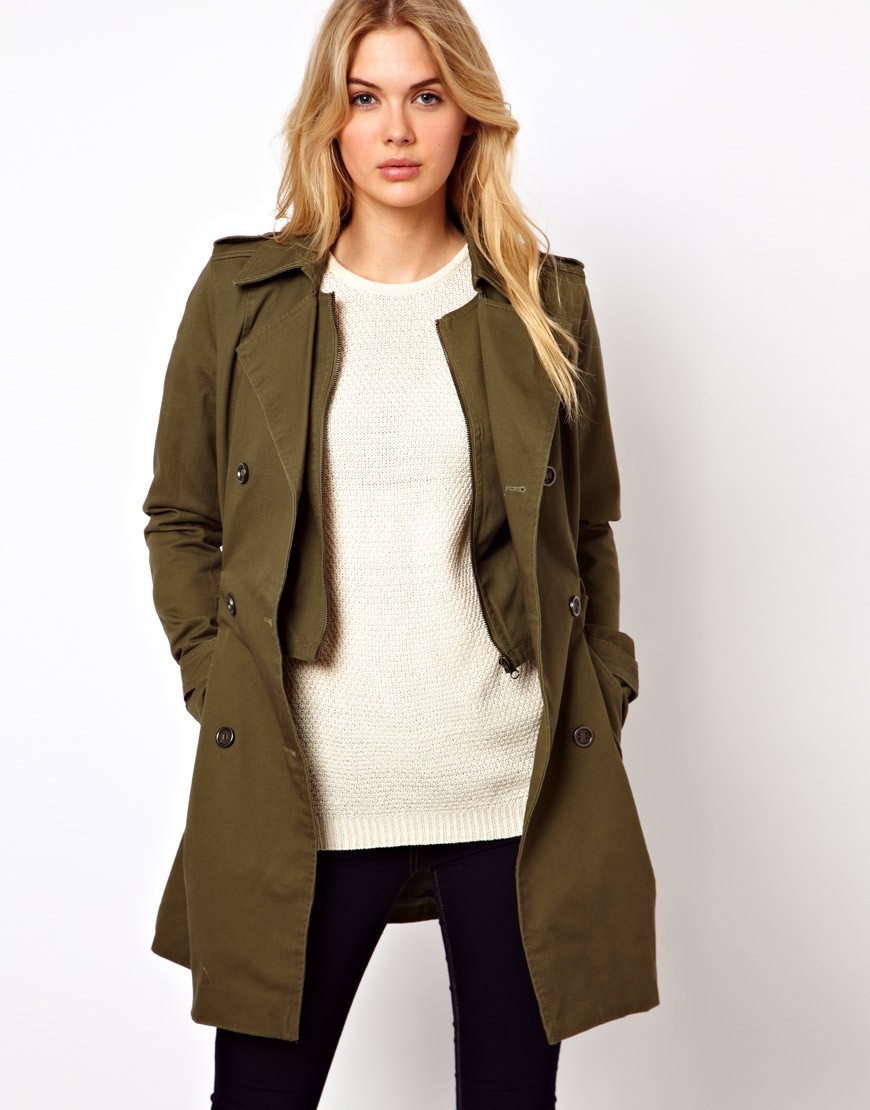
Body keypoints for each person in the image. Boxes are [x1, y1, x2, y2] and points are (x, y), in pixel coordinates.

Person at [142, 0, 659, 1106]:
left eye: (426, 96)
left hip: (510, 787)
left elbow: (587, 528)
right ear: (329, 120)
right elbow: (183, 519)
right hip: (307, 786)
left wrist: (602, 684)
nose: (396, 129)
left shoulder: (544, 301)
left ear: (468, 115)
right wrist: (214, 675)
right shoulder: (243, 299)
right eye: (365, 98)